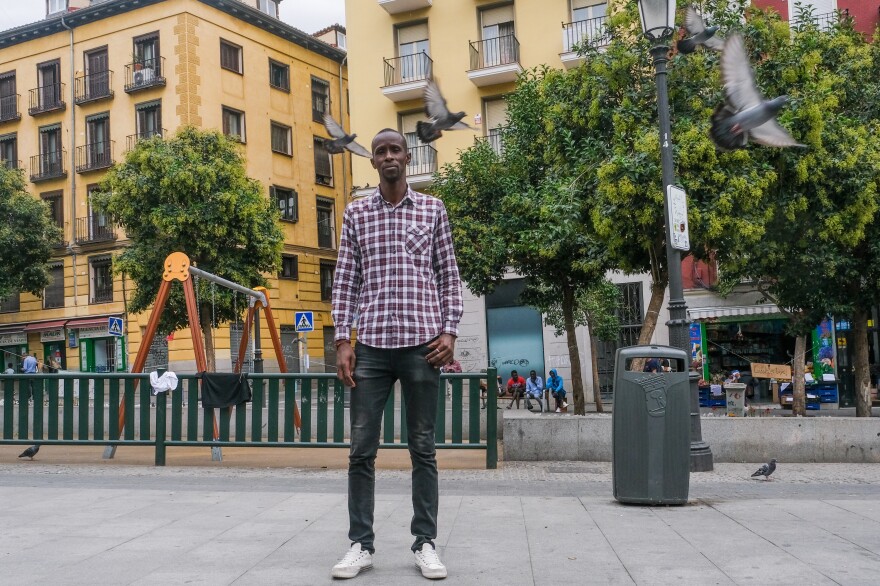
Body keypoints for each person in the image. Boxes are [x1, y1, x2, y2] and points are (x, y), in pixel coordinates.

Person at [330, 128, 462, 580]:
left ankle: (425, 542)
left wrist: (450, 332)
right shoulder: (356, 213)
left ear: (408, 157)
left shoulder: (433, 209)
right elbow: (345, 279)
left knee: (422, 448)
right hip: (369, 347)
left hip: (424, 345)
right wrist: (342, 340)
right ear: (372, 161)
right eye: (381, 151)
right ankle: (360, 545)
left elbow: (448, 274)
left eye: (395, 150)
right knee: (360, 450)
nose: (389, 156)